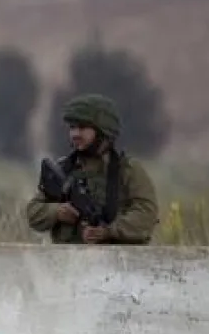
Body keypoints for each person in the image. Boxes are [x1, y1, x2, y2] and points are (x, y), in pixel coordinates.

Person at [25, 93, 159, 245]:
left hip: (119, 262)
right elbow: (33, 213)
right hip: (68, 263)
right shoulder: (64, 170)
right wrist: (56, 212)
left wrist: (108, 231)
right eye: (72, 128)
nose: (75, 134)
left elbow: (146, 215)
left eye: (82, 128)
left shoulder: (128, 170)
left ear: (103, 131)